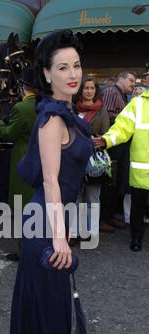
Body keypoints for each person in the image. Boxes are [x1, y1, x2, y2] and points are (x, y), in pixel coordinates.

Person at [6, 29, 94, 334]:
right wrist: (60, 237)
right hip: (44, 227)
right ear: (46, 74)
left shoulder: (68, 113)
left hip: (52, 220)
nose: (72, 74)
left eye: (76, 65)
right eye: (62, 67)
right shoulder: (50, 120)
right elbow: (50, 182)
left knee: (49, 314)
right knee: (50, 315)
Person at [93, 88, 149, 252]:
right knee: (137, 206)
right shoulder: (138, 104)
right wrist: (107, 139)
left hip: (140, 167)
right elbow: (122, 127)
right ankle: (136, 238)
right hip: (141, 169)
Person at [0, 68, 37, 261]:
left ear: (24, 86)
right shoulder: (47, 105)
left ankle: (23, 250)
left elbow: (10, 133)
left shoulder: (22, 108)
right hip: (43, 160)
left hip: (23, 159)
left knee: (21, 206)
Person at [70, 76, 110, 245]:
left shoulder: (101, 110)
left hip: (93, 159)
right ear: (81, 90)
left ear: (96, 90)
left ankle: (90, 232)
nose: (88, 91)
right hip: (73, 158)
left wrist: (94, 139)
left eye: (92, 88)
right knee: (74, 196)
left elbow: (106, 133)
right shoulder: (72, 108)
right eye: (86, 88)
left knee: (93, 197)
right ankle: (73, 233)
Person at [100, 71, 136, 232]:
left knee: (114, 183)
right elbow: (107, 115)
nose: (133, 83)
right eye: (130, 80)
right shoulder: (111, 91)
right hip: (113, 144)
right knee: (109, 182)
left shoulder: (122, 96)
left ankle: (109, 216)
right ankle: (103, 218)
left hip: (119, 145)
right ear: (120, 78)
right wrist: (125, 120)